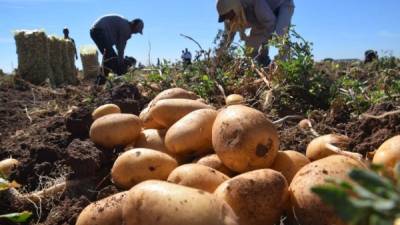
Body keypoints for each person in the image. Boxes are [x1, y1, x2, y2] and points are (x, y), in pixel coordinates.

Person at [216, 0, 295, 67]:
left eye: (228, 14)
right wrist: (218, 57)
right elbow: (227, 38)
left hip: (282, 5)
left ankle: (281, 67)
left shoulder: (254, 2)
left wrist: (258, 48)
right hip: (264, 16)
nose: (228, 18)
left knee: (281, 33)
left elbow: (270, 23)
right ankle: (259, 64)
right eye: (225, 16)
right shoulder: (229, 17)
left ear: (233, 6)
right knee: (252, 46)